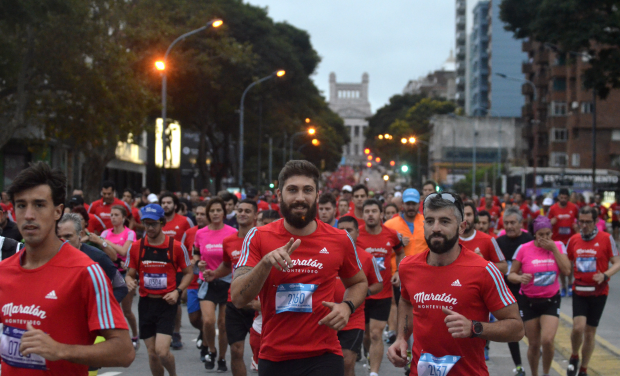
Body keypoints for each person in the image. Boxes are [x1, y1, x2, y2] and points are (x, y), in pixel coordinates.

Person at [231, 160, 368, 376]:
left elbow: (359, 282)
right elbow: (238, 298)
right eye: (292, 190)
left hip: (324, 355)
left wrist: (347, 306)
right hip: (275, 355)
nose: (300, 198)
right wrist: (265, 263)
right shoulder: (258, 237)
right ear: (279, 194)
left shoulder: (340, 239)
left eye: (307, 190)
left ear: (317, 195)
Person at [1, 162, 134, 375]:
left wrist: (61, 350)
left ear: (58, 211)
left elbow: (124, 351)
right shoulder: (3, 271)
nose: (28, 215)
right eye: (21, 205)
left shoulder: (86, 272)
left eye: (39, 205)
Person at [388, 191, 523, 375]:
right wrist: (401, 338)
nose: (435, 228)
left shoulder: (484, 270)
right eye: (429, 221)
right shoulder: (407, 267)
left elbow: (516, 328)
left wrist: (474, 328)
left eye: (444, 221)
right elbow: (405, 300)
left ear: (461, 227)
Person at [125, 203, 193, 376]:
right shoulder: (136, 247)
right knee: (152, 354)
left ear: (162, 223)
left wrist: (177, 291)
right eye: (146, 223)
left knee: (162, 352)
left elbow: (188, 273)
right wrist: (129, 281)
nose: (149, 227)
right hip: (146, 304)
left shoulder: (176, 247)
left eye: (153, 223)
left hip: (166, 304)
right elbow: (130, 273)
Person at [508, 216, 571, 376]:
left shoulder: (558, 246)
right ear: (534, 234)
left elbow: (567, 270)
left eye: (548, 234)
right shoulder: (523, 248)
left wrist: (554, 249)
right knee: (534, 344)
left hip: (550, 300)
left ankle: (546, 373)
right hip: (528, 301)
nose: (545, 238)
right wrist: (520, 278)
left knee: (548, 340)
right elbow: (511, 274)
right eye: (541, 234)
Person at [202, 199, 258, 376]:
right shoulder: (229, 241)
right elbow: (227, 265)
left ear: (255, 215)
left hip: (259, 304)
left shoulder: (263, 239)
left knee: (264, 353)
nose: (242, 213)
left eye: (247, 211)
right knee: (236, 350)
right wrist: (215, 274)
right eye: (239, 210)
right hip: (235, 302)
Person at [566, 206, 620, 376]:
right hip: (579, 290)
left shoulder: (606, 238)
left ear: (596, 221)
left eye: (588, 222)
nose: (584, 225)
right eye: (581, 222)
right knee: (577, 328)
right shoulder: (573, 240)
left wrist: (604, 275)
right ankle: (574, 356)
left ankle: (583, 369)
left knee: (590, 333)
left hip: (599, 292)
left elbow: (617, 262)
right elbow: (566, 264)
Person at [357, 198, 404, 376]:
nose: (370, 214)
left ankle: (374, 373)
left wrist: (398, 271)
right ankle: (369, 356)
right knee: (366, 336)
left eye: (374, 211)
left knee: (376, 334)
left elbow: (400, 252)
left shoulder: (391, 234)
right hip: (361, 293)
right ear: (363, 214)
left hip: (383, 293)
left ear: (381, 214)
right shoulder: (357, 235)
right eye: (367, 211)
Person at [194, 197, 238, 372]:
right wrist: (199, 264)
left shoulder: (232, 232)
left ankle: (221, 358)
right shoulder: (201, 233)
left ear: (224, 213)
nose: (215, 214)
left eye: (218, 210)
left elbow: (235, 257)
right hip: (207, 281)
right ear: (208, 213)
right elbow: (196, 254)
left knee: (223, 324)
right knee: (208, 321)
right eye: (212, 211)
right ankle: (211, 350)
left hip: (227, 282)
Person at [336, 216, 383, 376]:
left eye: (348, 230)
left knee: (347, 361)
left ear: (357, 233)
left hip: (353, 318)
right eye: (340, 229)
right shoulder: (327, 254)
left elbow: (379, 284)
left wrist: (364, 291)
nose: (344, 233)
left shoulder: (367, 257)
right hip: (327, 317)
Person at [92, 205, 139, 349]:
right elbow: (104, 253)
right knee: (111, 308)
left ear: (124, 217)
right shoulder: (106, 233)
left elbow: (124, 252)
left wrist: (104, 242)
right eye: (111, 215)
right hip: (109, 272)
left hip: (125, 273)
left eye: (116, 215)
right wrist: (103, 243)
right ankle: (114, 339)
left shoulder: (129, 233)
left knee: (126, 310)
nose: (113, 217)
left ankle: (135, 335)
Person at [495, 207, 533, 376]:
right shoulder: (499, 242)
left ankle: (535, 347)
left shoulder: (528, 240)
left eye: (513, 223)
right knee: (512, 328)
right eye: (506, 223)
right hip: (506, 292)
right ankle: (519, 366)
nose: (509, 226)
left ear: (521, 223)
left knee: (529, 329)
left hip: (528, 291)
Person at [57, 213, 128, 303]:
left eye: (68, 236)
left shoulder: (97, 257)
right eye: (59, 237)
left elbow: (121, 288)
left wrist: (102, 308)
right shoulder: (49, 256)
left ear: (80, 234)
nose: (63, 241)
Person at [183, 201, 208, 357]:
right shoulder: (189, 232)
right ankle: (203, 332)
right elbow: (183, 255)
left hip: (209, 281)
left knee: (207, 318)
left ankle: (207, 346)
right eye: (197, 214)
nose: (199, 217)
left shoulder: (215, 232)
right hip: (192, 281)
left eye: (202, 214)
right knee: (193, 318)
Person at [547, 188, 579, 297]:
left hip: (570, 240)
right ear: (559, 197)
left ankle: (570, 283)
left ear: (568, 198)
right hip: (558, 242)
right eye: (562, 197)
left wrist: (576, 227)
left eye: (566, 198)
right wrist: (552, 222)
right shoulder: (553, 209)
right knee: (561, 266)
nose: (563, 199)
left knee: (570, 264)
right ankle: (563, 286)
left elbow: (578, 220)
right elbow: (547, 224)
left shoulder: (573, 207)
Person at [460, 202, 507, 274]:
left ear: (475, 218)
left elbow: (504, 268)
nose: (465, 218)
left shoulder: (489, 240)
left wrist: (483, 263)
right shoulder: (450, 240)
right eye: (462, 215)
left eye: (469, 214)